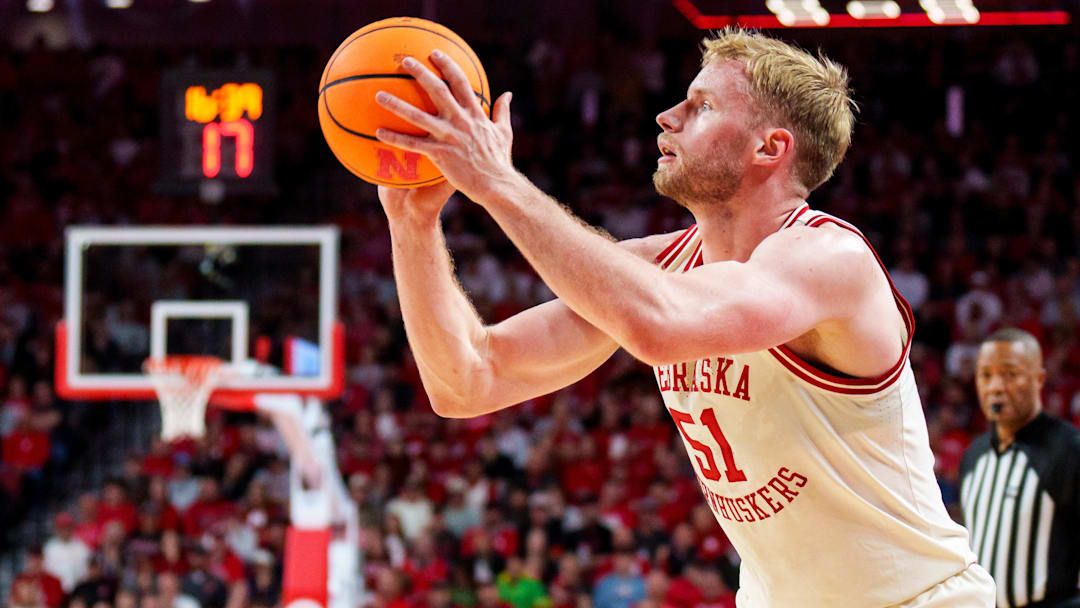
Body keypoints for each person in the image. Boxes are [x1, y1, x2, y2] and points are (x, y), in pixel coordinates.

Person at [372, 27, 993, 607]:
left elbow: (661, 327)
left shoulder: (830, 259)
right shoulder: (657, 268)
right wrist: (412, 225)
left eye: (702, 107)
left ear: (770, 148)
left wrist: (496, 181)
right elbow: (468, 379)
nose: (666, 117)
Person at [959, 328, 1080, 608]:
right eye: (985, 375)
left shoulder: (1069, 450)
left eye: (1010, 374)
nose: (995, 387)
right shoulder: (973, 456)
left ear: (1039, 379)